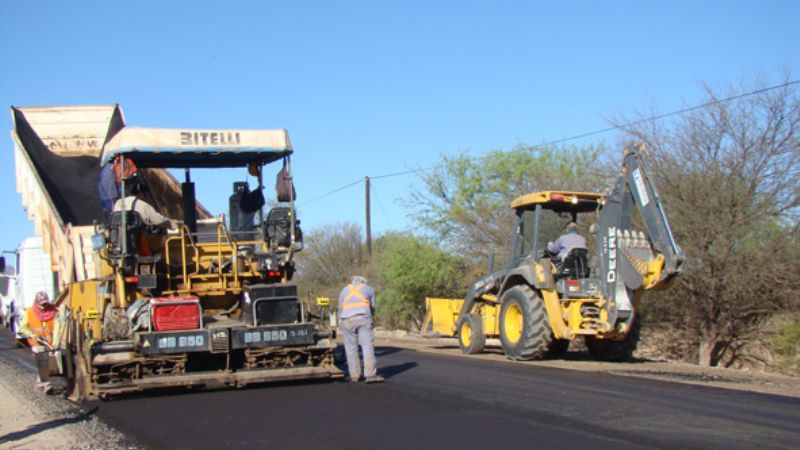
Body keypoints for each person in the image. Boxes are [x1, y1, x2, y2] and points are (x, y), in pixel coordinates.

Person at [337, 276, 383, 383]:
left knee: (351, 348)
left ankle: (355, 375)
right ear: (363, 282)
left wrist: (340, 321)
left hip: (346, 320)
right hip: (363, 318)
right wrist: (370, 318)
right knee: (367, 345)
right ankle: (370, 375)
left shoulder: (344, 290)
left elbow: (340, 308)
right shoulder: (368, 289)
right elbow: (372, 308)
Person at [19, 291, 57, 394]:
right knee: (43, 361)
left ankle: (39, 383)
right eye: (42, 304)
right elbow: (23, 327)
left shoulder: (53, 311)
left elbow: (58, 326)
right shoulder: (30, 312)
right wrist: (31, 334)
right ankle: (47, 385)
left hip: (51, 343)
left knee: (49, 363)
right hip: (37, 343)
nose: (44, 306)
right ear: (37, 302)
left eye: (45, 303)